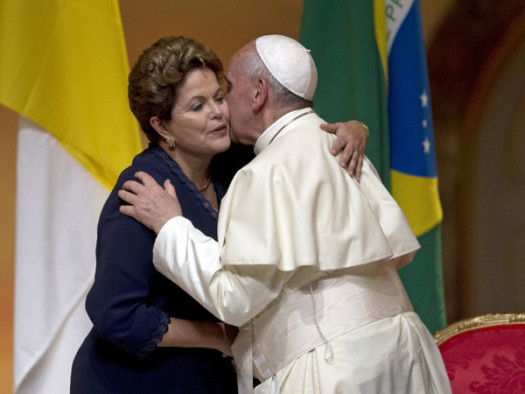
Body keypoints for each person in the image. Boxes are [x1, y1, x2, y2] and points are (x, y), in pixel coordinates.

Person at [119, 35, 452, 393]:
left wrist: (172, 228)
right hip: (407, 352)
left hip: (333, 369)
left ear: (259, 92)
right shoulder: (340, 146)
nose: (224, 106)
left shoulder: (263, 173)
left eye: (228, 89)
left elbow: (235, 299)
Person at [70, 36, 368, 393]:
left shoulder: (235, 161)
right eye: (197, 106)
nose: (218, 112)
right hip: (130, 383)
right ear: (162, 127)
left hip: (207, 377)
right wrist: (219, 336)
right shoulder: (142, 190)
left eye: (218, 96)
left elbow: (297, 140)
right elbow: (115, 314)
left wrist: (355, 129)